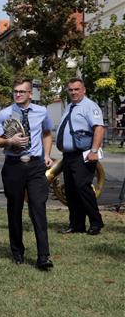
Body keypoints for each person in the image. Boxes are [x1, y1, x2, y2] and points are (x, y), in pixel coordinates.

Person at [0, 78, 54, 270]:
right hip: (13, 166)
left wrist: (48, 155)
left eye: (22, 91)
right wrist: (9, 142)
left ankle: (43, 256)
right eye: (15, 91)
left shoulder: (42, 111)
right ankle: (17, 251)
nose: (18, 94)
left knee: (38, 208)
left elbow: (47, 133)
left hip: (35, 166)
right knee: (14, 209)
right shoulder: (5, 113)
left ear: (30, 94)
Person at [56, 78, 106, 235]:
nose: (73, 92)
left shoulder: (90, 106)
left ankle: (96, 222)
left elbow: (99, 128)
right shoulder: (70, 106)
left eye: (77, 89)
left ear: (83, 90)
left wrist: (94, 150)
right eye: (70, 89)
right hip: (69, 156)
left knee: (82, 188)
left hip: (83, 155)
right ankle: (76, 225)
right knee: (71, 191)